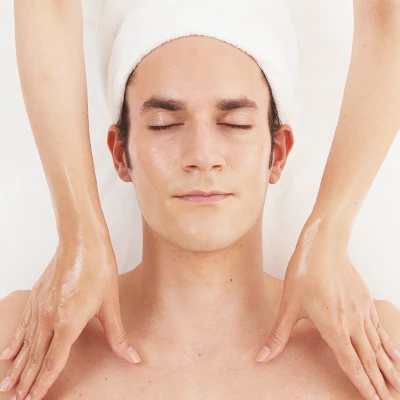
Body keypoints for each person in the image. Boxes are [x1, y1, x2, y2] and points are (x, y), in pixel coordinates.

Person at [1, 0, 399, 400]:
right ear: (121, 153)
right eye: (164, 125)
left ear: (277, 153)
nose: (202, 155)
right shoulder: (23, 343)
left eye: (235, 124)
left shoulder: (376, 348)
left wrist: (329, 236)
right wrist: (78, 235)